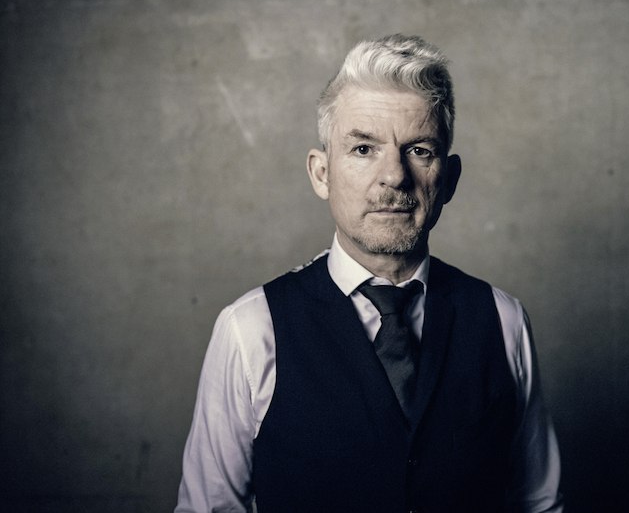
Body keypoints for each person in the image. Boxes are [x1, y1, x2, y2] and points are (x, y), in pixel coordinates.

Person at [175, 34, 563, 512]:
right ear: (321, 173)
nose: (394, 176)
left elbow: (540, 505)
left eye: (419, 149)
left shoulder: (504, 322)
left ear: (450, 178)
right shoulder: (251, 330)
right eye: (363, 149)